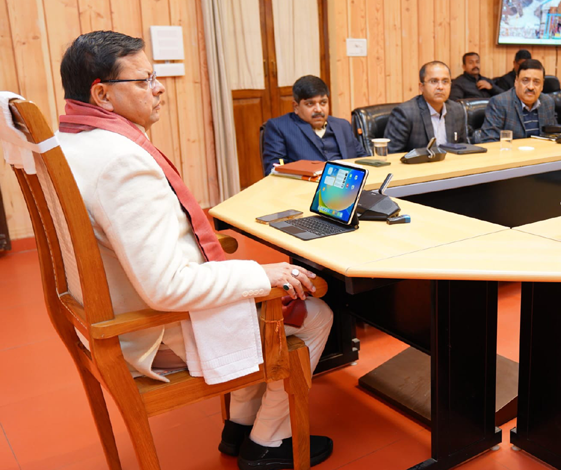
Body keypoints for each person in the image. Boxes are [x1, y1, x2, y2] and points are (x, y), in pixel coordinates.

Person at [56, 31, 334, 470]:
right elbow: (166, 288)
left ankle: (239, 425)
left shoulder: (70, 142)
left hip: (108, 318)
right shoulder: (121, 162)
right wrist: (264, 275)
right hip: (146, 332)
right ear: (102, 94)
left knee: (250, 296)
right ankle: (269, 441)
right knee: (315, 315)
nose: (159, 89)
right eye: (145, 80)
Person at [262, 75, 367, 175]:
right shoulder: (280, 127)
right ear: (296, 107)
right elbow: (273, 171)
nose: (318, 109)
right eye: (310, 104)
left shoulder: (342, 125)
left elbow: (363, 160)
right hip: (306, 185)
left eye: (323, 102)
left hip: (348, 184)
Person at [384, 61, 467, 154]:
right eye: (434, 81)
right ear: (421, 87)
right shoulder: (405, 113)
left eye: (445, 81)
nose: (440, 87)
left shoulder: (457, 110)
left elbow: (462, 148)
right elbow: (392, 154)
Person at [477, 59, 556, 143]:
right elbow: (489, 141)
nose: (531, 87)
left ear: (542, 85)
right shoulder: (499, 103)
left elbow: (553, 136)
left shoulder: (548, 102)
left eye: (536, 82)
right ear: (516, 82)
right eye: (525, 80)